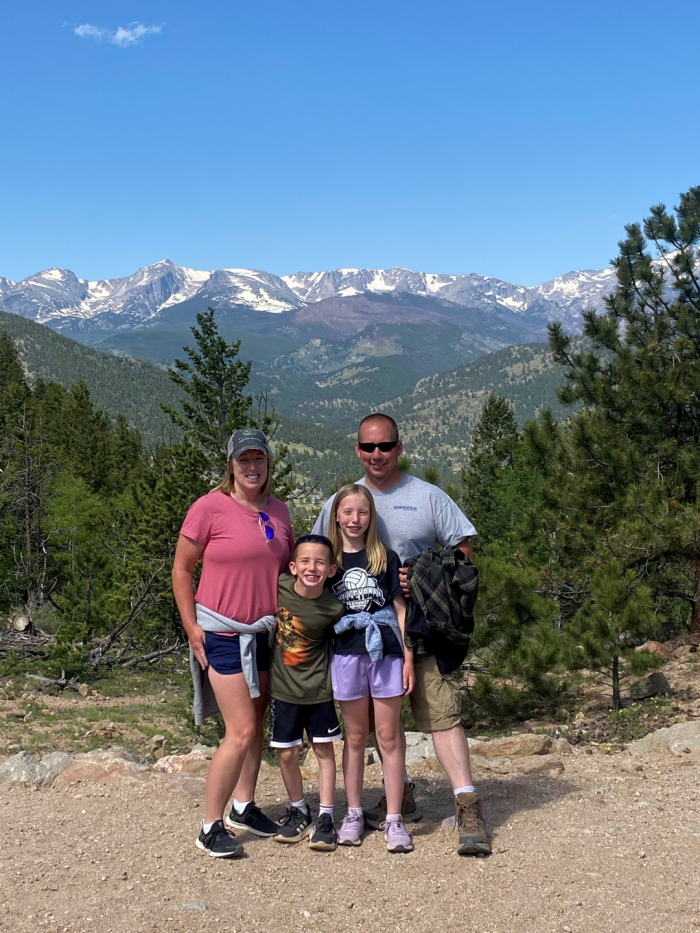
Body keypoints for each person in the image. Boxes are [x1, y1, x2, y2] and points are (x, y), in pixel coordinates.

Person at [312, 413, 491, 856]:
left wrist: (430, 573)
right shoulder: (343, 501)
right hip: (362, 639)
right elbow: (316, 559)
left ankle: (467, 805)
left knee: (440, 712)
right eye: (368, 447)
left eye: (385, 446)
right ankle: (402, 795)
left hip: (422, 627)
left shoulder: (428, 497)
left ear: (399, 447)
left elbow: (463, 546)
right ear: (357, 450)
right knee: (376, 726)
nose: (377, 455)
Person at [173, 429, 294, 858]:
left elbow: (289, 569)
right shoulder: (209, 507)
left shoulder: (279, 512)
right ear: (230, 464)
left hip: (264, 633)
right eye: (243, 460)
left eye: (258, 458)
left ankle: (243, 805)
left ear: (268, 463)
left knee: (255, 724)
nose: (251, 467)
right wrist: (191, 625)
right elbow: (183, 569)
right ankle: (210, 825)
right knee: (240, 730)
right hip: (221, 632)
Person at [328, 483, 415, 854]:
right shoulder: (328, 560)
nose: (354, 519)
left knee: (389, 736)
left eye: (362, 512)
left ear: (371, 517)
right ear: (336, 516)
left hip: (386, 653)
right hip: (346, 653)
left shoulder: (385, 557)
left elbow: (400, 609)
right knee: (355, 737)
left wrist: (409, 656)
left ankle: (394, 817)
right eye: (347, 512)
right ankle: (353, 813)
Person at [267, 535, 344, 851]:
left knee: (324, 752)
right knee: (286, 753)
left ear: (331, 570)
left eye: (320, 562)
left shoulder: (333, 607)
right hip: (283, 691)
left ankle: (326, 817)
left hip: (318, 693)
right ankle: (298, 808)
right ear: (293, 566)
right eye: (306, 561)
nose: (312, 567)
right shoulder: (279, 587)